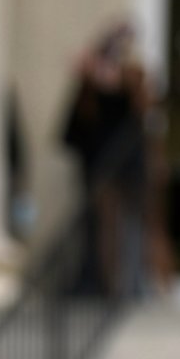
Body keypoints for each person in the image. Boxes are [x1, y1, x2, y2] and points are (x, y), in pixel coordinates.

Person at [62, 23, 150, 299]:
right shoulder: (91, 84)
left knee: (133, 230)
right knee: (104, 231)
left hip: (129, 168)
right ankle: (108, 287)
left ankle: (135, 287)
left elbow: (140, 106)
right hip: (101, 169)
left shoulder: (132, 76)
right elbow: (75, 128)